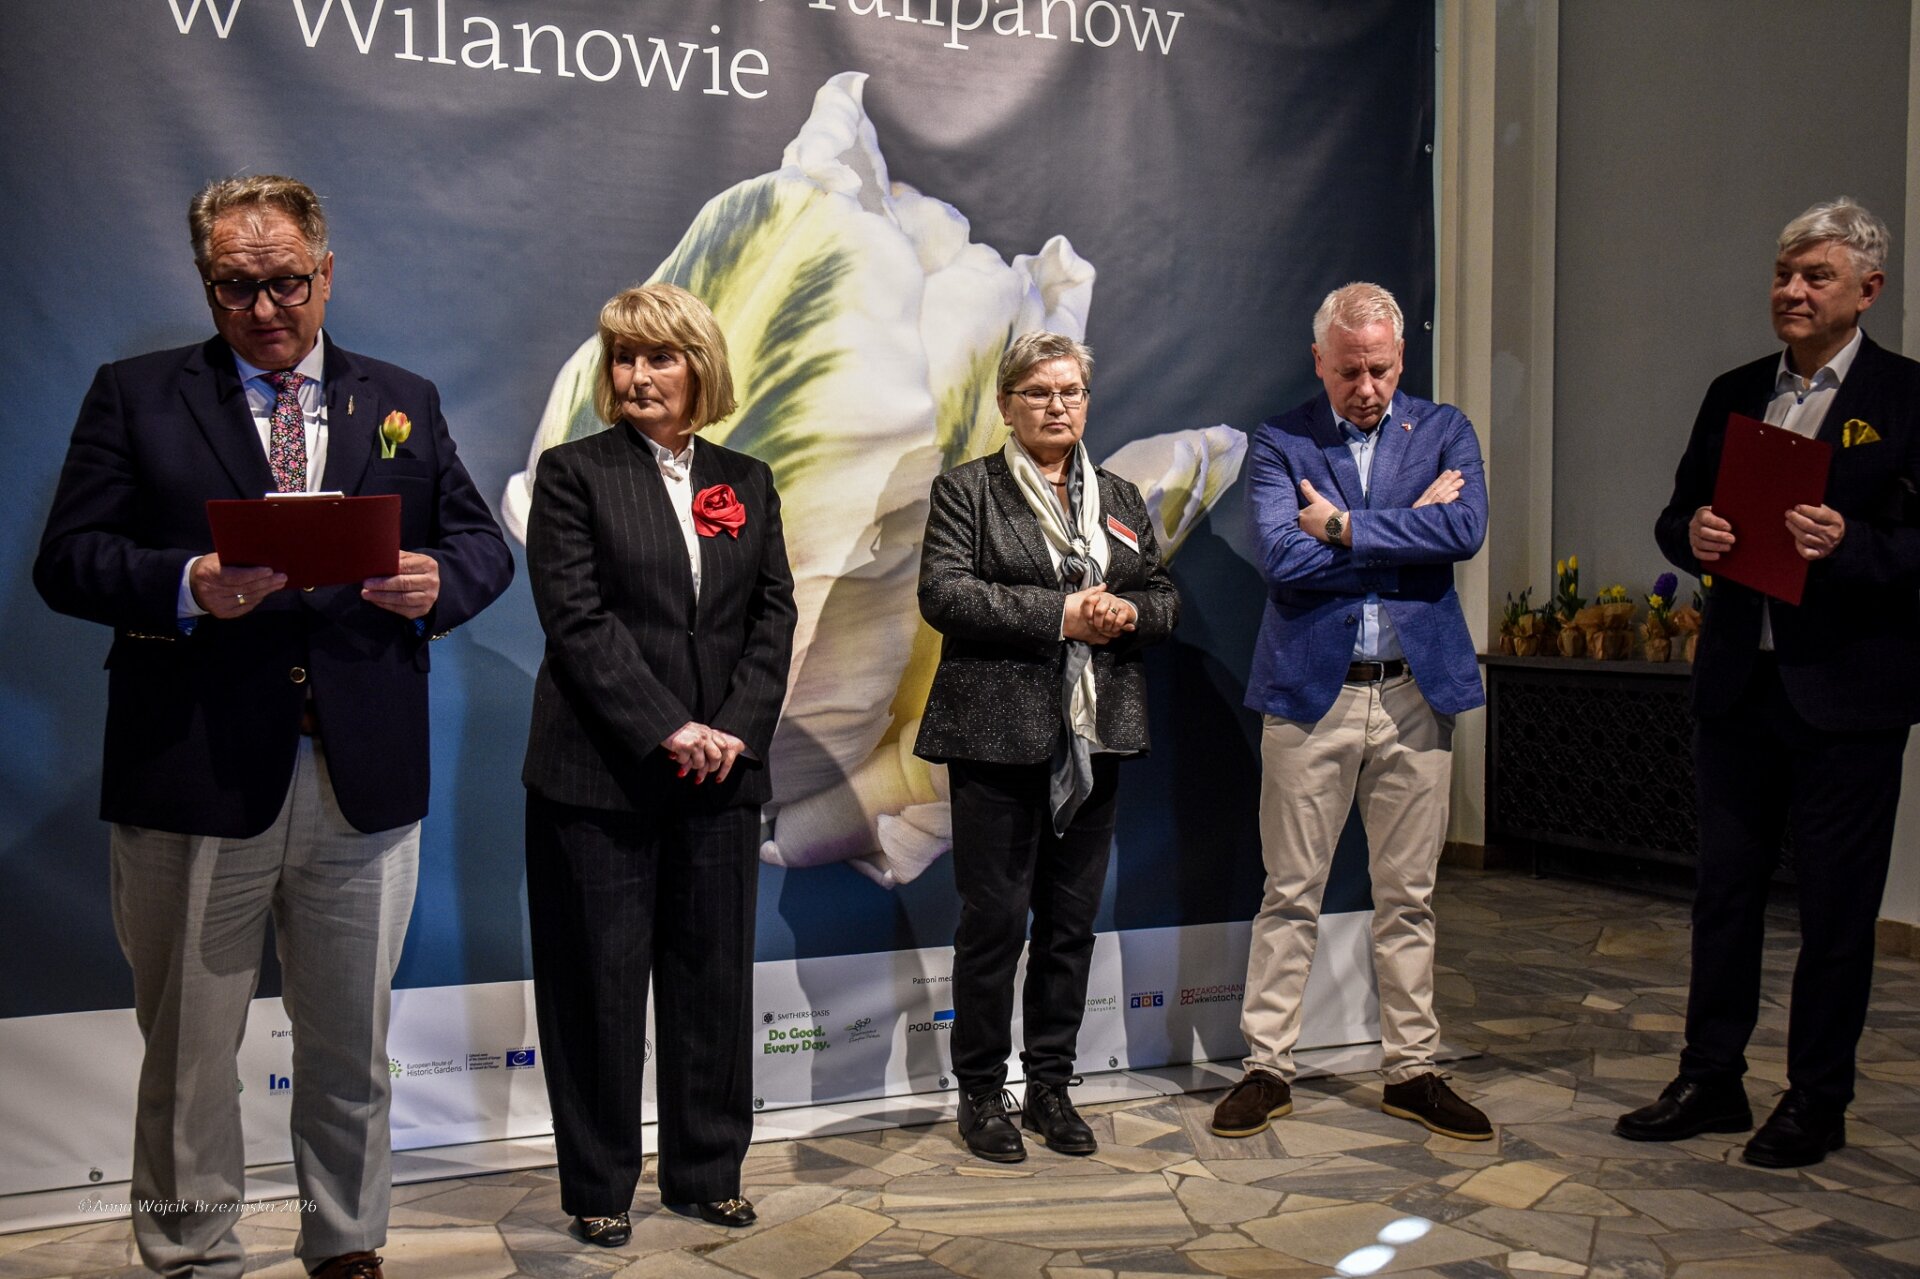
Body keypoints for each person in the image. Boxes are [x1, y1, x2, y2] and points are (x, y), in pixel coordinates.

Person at [33, 174, 513, 1279]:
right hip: (192, 770)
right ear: (205, 284)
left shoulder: (402, 396)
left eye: (286, 281)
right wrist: (187, 583)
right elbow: (68, 559)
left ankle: (346, 1242)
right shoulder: (136, 395)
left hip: (362, 776)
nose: (263, 308)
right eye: (234, 286)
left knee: (351, 1046)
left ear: (326, 274)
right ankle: (191, 1248)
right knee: (189, 1055)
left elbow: (483, 546)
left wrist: (437, 582)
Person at [1618, 197, 1920, 1168]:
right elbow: (1677, 516)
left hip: (1847, 695)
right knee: (1724, 896)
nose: (1792, 291)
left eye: (1816, 276)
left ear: (1867, 290)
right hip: (1738, 687)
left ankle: (1817, 1099)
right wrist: (1695, 534)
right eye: (1784, 275)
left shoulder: (1907, 398)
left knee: (1835, 910)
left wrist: (1852, 544)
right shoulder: (1736, 391)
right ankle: (1711, 1076)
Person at [522, 282, 795, 1243]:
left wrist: (735, 729)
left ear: (699, 367)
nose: (638, 375)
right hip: (600, 777)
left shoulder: (746, 478)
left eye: (660, 356)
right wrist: (669, 725)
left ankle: (706, 1171)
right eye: (624, 357)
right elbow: (577, 620)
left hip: (721, 776)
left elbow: (772, 614)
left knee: (713, 982)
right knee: (595, 989)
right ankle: (600, 1186)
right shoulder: (574, 473)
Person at [1211, 282, 1490, 1144]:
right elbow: (1282, 558)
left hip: (1415, 691)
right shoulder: (1280, 441)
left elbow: (1465, 531)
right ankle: (1267, 1067)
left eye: (1381, 369)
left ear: (1401, 358)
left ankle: (1412, 1070)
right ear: (1319, 362)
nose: (1366, 388)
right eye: (1349, 372)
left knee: (1409, 895)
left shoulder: (1445, 431)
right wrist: (1408, 527)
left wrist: (1342, 528)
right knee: (1290, 891)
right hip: (1311, 694)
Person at [914, 331, 1179, 1163]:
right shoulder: (968, 491)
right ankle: (981, 1092)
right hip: (995, 737)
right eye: (1038, 392)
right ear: (1006, 404)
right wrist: (1063, 615)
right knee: (993, 923)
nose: (1057, 405)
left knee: (1069, 923)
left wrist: (1127, 614)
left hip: (1094, 735)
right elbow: (944, 593)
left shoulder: (1119, 495)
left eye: (1071, 391)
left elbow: (1164, 595)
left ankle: (1052, 1087)